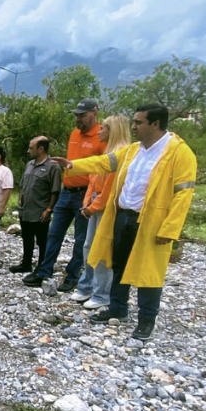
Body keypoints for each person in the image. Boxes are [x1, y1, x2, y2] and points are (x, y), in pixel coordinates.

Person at [51, 104, 197, 340]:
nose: (134, 126)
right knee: (118, 264)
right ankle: (118, 308)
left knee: (149, 272)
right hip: (123, 216)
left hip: (150, 222)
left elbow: (184, 194)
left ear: (155, 124)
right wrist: (72, 165)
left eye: (139, 122)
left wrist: (169, 229)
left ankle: (146, 320)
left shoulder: (179, 153)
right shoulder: (132, 150)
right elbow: (103, 163)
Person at [22, 98, 106, 291]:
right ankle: (44, 271)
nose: (78, 119)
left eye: (82, 115)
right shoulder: (74, 134)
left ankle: (73, 274)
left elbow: (103, 168)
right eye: (76, 115)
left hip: (85, 194)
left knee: (81, 238)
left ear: (94, 113)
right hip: (66, 192)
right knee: (54, 233)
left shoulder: (101, 137)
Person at [72, 115, 132, 309]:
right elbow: (93, 179)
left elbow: (111, 188)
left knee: (103, 250)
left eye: (104, 128)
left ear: (113, 130)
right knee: (88, 246)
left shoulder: (122, 153)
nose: (99, 131)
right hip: (95, 203)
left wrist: (93, 206)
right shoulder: (107, 151)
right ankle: (87, 286)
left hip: (106, 208)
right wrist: (86, 201)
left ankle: (102, 293)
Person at [10, 136, 61, 274]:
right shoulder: (30, 164)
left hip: (40, 211)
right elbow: (22, 184)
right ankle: (26, 264)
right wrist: (20, 199)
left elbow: (55, 191)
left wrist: (49, 210)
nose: (28, 151)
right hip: (25, 210)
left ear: (41, 149)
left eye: (31, 148)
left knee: (42, 241)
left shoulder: (53, 167)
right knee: (27, 238)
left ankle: (42, 267)